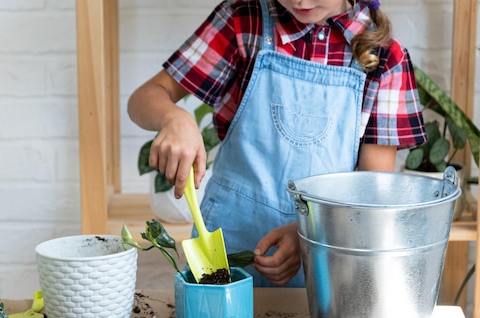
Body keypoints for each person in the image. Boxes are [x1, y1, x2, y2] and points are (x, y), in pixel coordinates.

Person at [127, 0, 426, 287]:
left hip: (324, 262)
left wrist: (308, 233)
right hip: (229, 246)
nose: (299, 0)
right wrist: (174, 118)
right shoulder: (243, 22)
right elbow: (145, 97)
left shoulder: (385, 58)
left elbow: (370, 193)